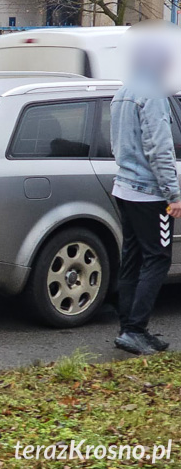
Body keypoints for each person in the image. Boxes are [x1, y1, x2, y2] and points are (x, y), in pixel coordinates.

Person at [110, 26, 181, 355]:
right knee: (158, 260)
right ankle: (136, 330)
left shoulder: (123, 91)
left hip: (124, 188)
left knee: (132, 259)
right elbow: (160, 150)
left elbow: (118, 143)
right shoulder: (153, 95)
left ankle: (129, 328)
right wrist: (174, 195)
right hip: (151, 195)